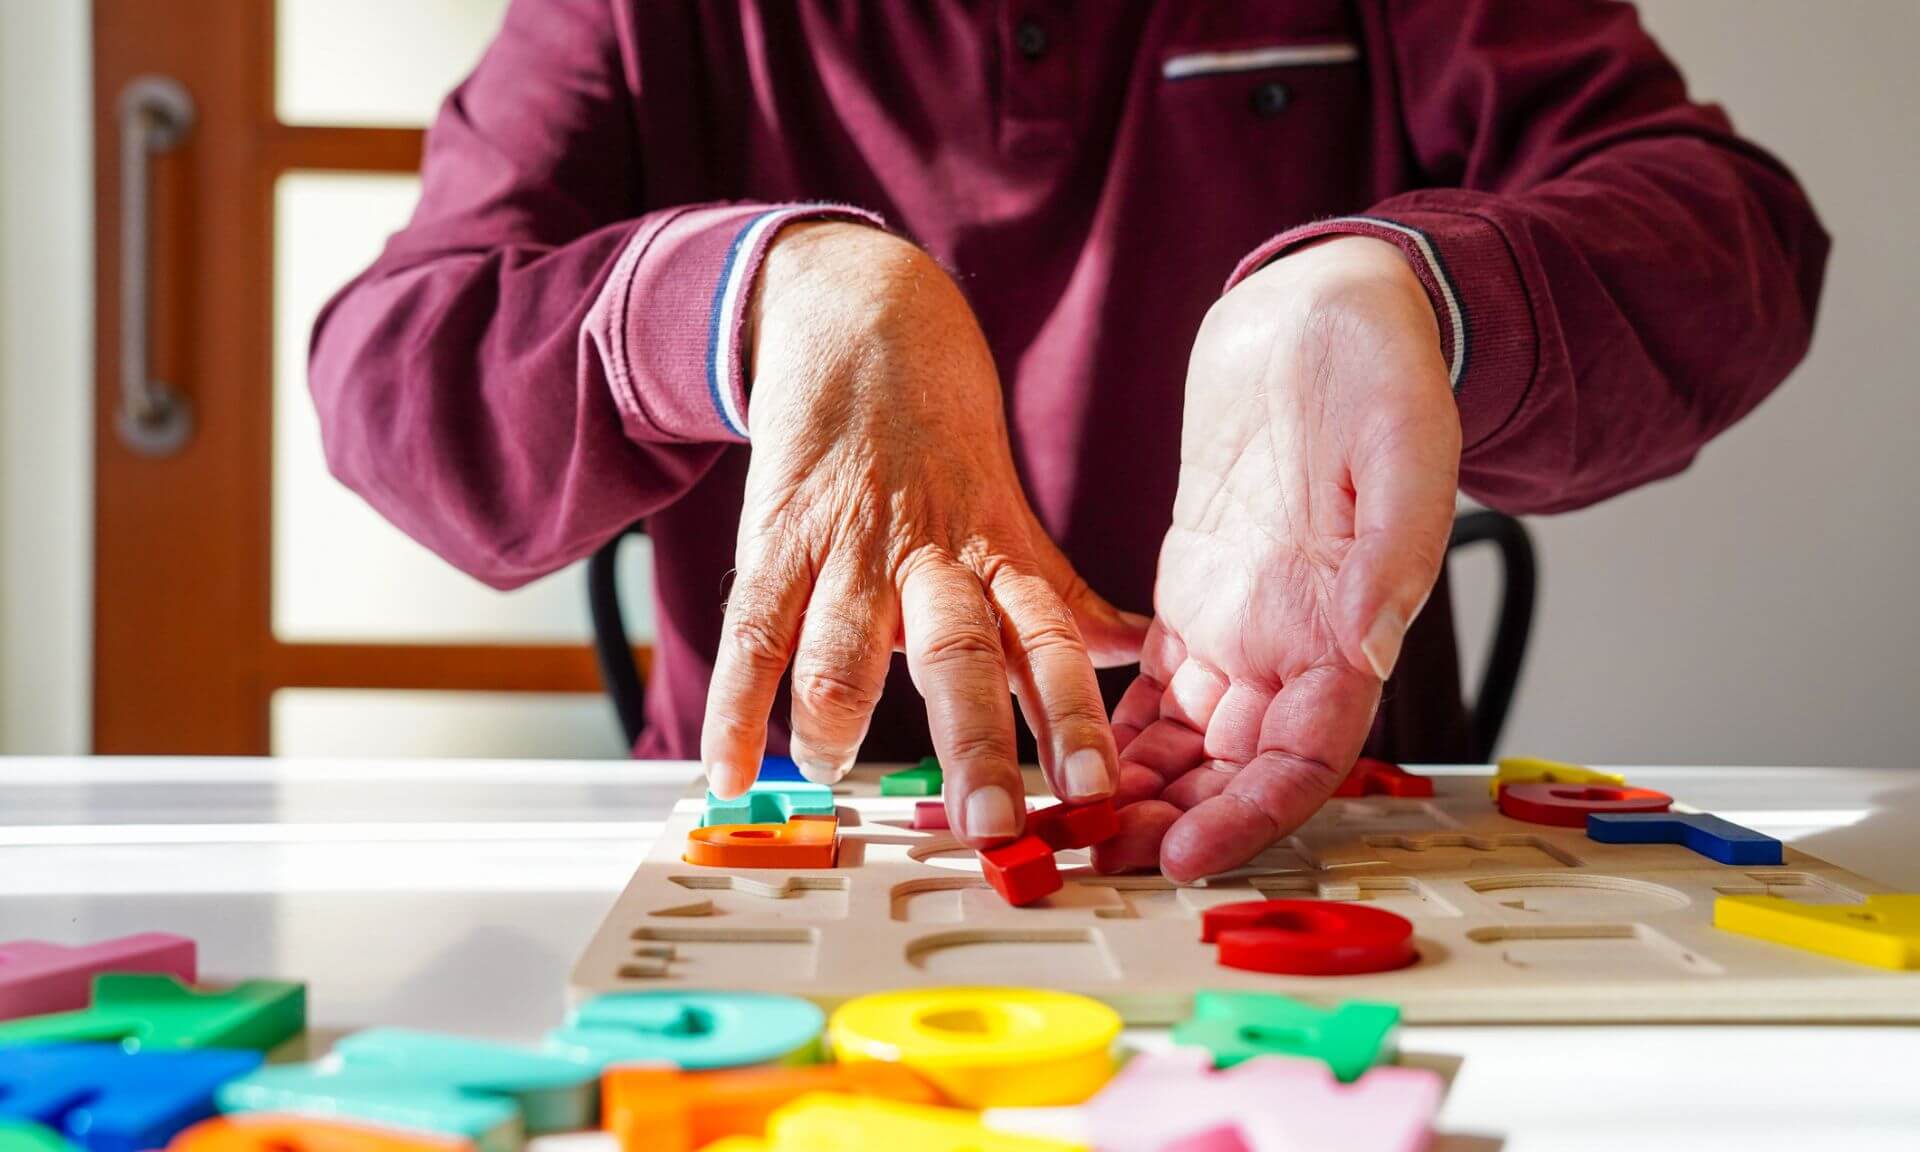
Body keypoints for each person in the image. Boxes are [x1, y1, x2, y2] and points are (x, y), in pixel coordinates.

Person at [309, 1, 1826, 880]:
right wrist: (750, 295)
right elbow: (389, 371)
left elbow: (1733, 238)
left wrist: (1400, 287)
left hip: (1293, 838)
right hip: (786, 867)